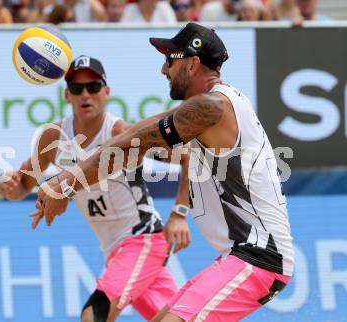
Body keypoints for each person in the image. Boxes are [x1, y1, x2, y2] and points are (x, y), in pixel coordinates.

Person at [33, 23, 295, 322]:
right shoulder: (210, 105)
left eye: (170, 60)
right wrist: (66, 181)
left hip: (260, 257)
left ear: (192, 64)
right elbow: (137, 136)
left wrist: (66, 183)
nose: (163, 69)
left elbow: (136, 142)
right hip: (240, 255)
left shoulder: (213, 107)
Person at [0, 55, 191, 322]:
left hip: (143, 239)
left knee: (93, 316)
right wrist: (9, 185)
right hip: (115, 250)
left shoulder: (121, 133)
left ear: (107, 92)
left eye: (93, 86)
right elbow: (21, 188)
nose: (85, 94)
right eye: (77, 89)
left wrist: (180, 213)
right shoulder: (53, 138)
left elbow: (186, 156)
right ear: (67, 95)